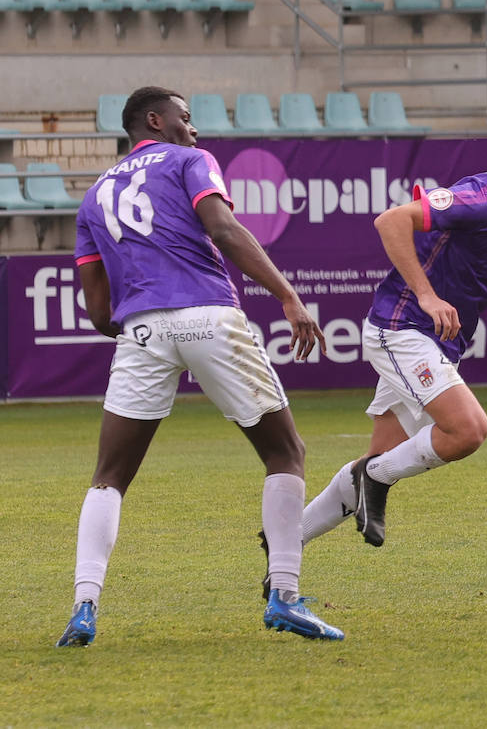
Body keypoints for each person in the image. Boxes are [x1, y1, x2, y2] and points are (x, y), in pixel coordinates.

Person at [58, 87, 343, 647]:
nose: (195, 130)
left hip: (140, 329)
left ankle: (83, 606)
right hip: (209, 316)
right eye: (186, 119)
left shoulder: (92, 196)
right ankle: (284, 596)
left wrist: (144, 327)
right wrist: (288, 295)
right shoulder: (190, 161)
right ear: (156, 121)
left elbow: (96, 311)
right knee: (285, 452)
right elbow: (223, 229)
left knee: (109, 477)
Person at [298, 120, 487, 549]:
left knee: (378, 457)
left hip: (440, 342)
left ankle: (284, 546)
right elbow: (390, 222)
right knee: (468, 430)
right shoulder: (479, 199)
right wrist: (426, 295)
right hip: (401, 328)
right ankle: (374, 479)